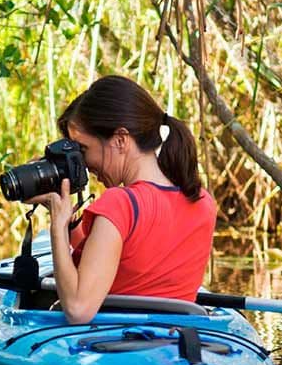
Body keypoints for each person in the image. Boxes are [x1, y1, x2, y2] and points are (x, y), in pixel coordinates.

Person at [29, 75, 217, 325]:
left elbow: (78, 309)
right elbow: (130, 259)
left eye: (82, 150)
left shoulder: (120, 204)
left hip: (111, 345)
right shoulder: (203, 202)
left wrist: (58, 226)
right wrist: (71, 221)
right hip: (174, 341)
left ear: (120, 139)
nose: (81, 163)